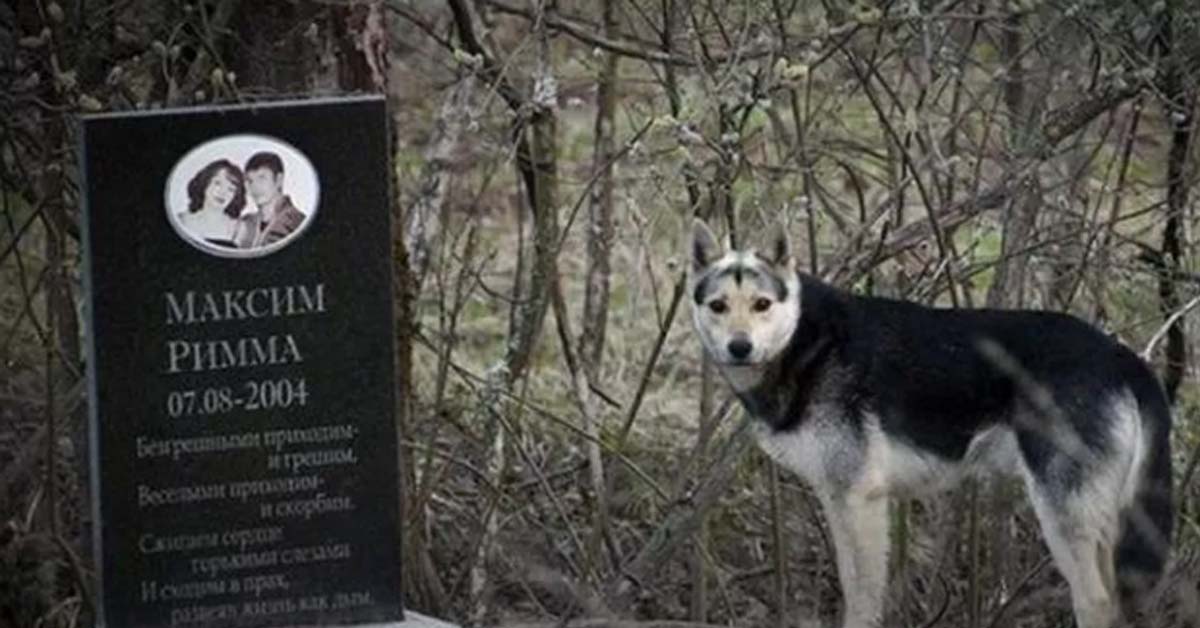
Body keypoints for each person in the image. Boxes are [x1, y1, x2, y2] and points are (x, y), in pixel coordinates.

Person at [178, 159, 256, 248]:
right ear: (205, 183)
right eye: (217, 183)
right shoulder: (182, 220)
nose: (223, 193)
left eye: (231, 189)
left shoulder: (239, 228)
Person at [244, 151, 305, 247]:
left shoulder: (297, 221)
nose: (255, 187)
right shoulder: (247, 222)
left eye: (262, 178)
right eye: (250, 181)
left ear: (279, 180)